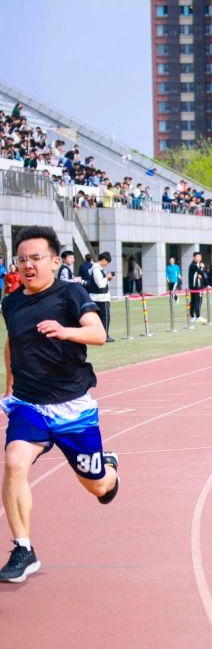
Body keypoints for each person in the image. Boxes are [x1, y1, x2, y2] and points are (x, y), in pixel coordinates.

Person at [1, 227, 120, 583]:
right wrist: (9, 387)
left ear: (54, 261)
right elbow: (12, 343)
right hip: (29, 404)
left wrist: (65, 331)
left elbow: (98, 333)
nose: (28, 265)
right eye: (22, 259)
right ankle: (23, 549)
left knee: (98, 488)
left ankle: (109, 468)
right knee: (14, 462)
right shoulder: (10, 302)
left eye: (36, 258)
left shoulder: (71, 293)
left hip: (72, 408)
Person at [86, 251, 115, 343]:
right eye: (107, 262)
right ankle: (105, 336)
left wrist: (107, 279)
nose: (106, 264)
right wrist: (107, 278)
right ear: (104, 260)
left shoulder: (96, 268)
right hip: (101, 298)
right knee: (105, 317)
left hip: (96, 297)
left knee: (97, 318)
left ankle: (98, 335)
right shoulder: (96, 269)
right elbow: (100, 284)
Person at [187, 251, 208, 323]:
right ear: (193, 257)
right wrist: (202, 268)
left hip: (197, 286)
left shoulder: (197, 265)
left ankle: (192, 316)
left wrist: (201, 272)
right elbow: (201, 272)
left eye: (200, 257)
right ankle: (197, 316)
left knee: (194, 301)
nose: (199, 258)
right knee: (197, 301)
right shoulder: (193, 265)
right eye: (197, 257)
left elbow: (202, 274)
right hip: (195, 287)